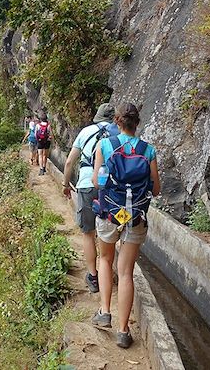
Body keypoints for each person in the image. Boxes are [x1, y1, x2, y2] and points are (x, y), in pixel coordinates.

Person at [90, 103, 160, 349]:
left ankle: (105, 312)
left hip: (111, 213)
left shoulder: (105, 145)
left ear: (117, 122)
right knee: (127, 272)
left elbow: (98, 182)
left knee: (105, 260)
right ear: (136, 123)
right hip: (136, 216)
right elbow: (156, 189)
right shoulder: (148, 150)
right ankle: (123, 331)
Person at [62, 103, 119, 294]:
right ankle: (109, 271)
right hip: (110, 188)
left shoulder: (86, 132)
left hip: (86, 185)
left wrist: (65, 185)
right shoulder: (119, 134)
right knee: (109, 230)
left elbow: (70, 161)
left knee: (88, 232)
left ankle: (93, 276)